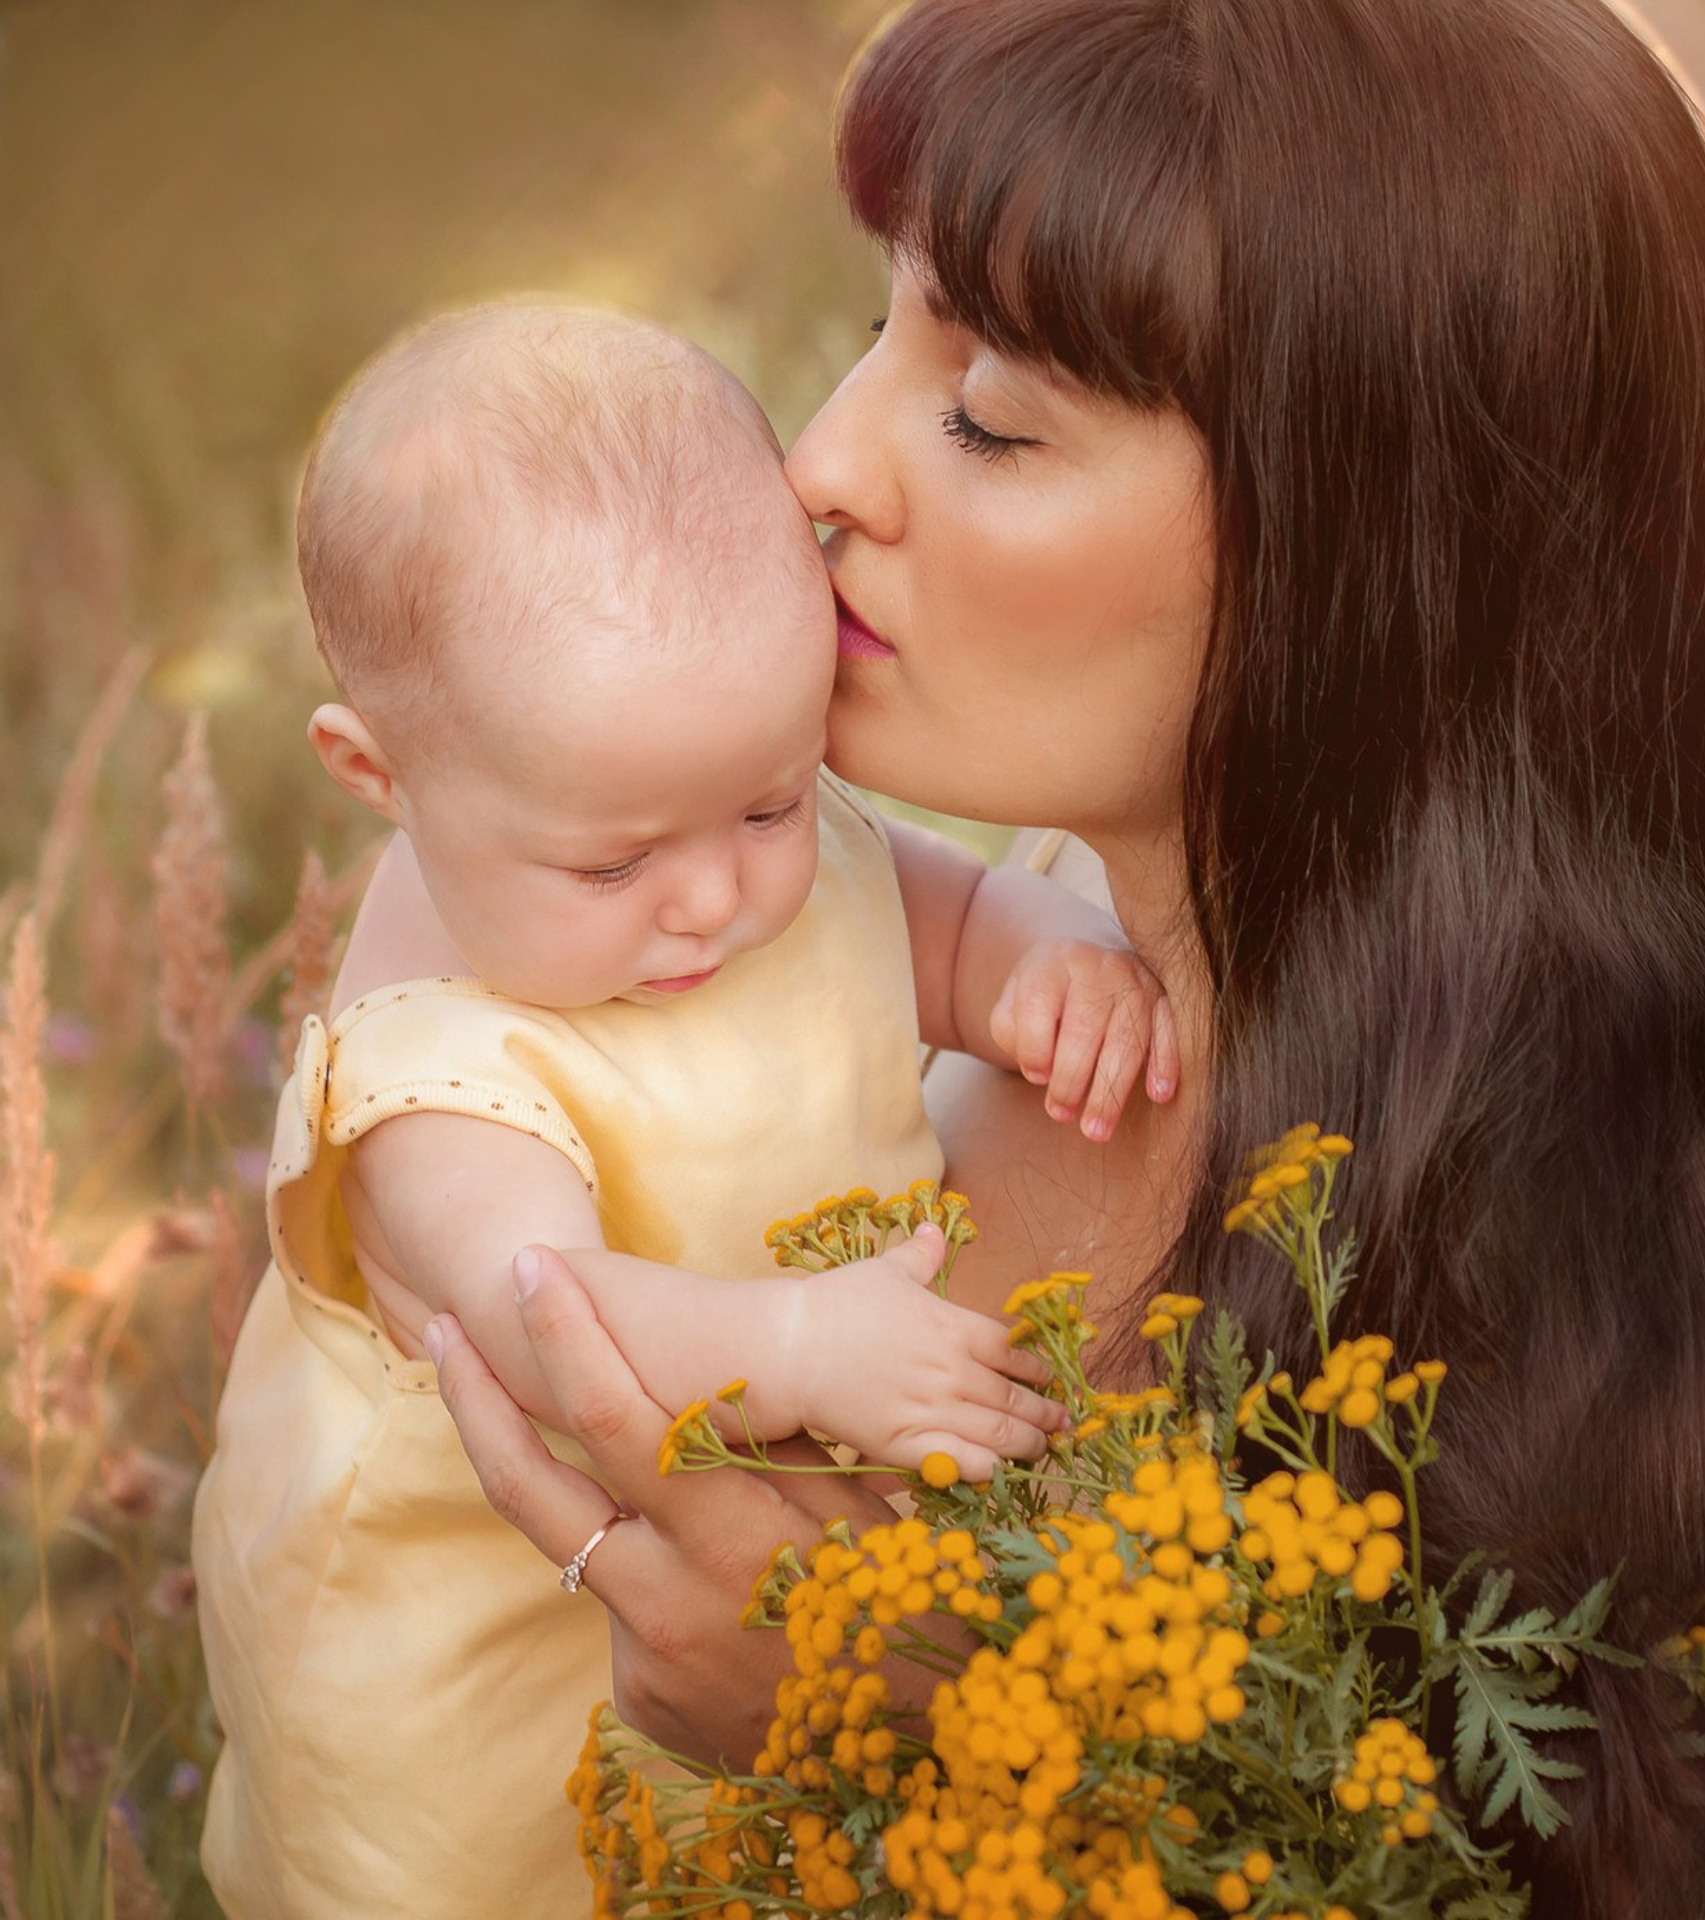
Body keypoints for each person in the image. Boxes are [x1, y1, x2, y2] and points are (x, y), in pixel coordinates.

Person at [434, 0, 1705, 1913]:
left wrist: (928, 1732)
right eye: (879, 328)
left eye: (991, 418)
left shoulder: (1614, 1307)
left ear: (1377, 543)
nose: (816, 468)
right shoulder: (926, 936)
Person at [190, 301, 1186, 1920]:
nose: (717, 897)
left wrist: (1047, 965)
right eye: (613, 863)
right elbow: (548, 1323)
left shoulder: (716, 822)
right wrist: (804, 1353)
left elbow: (932, 922)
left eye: (775, 798)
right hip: (485, 1675)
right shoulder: (435, 1081)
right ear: (379, 777)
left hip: (735, 1598)